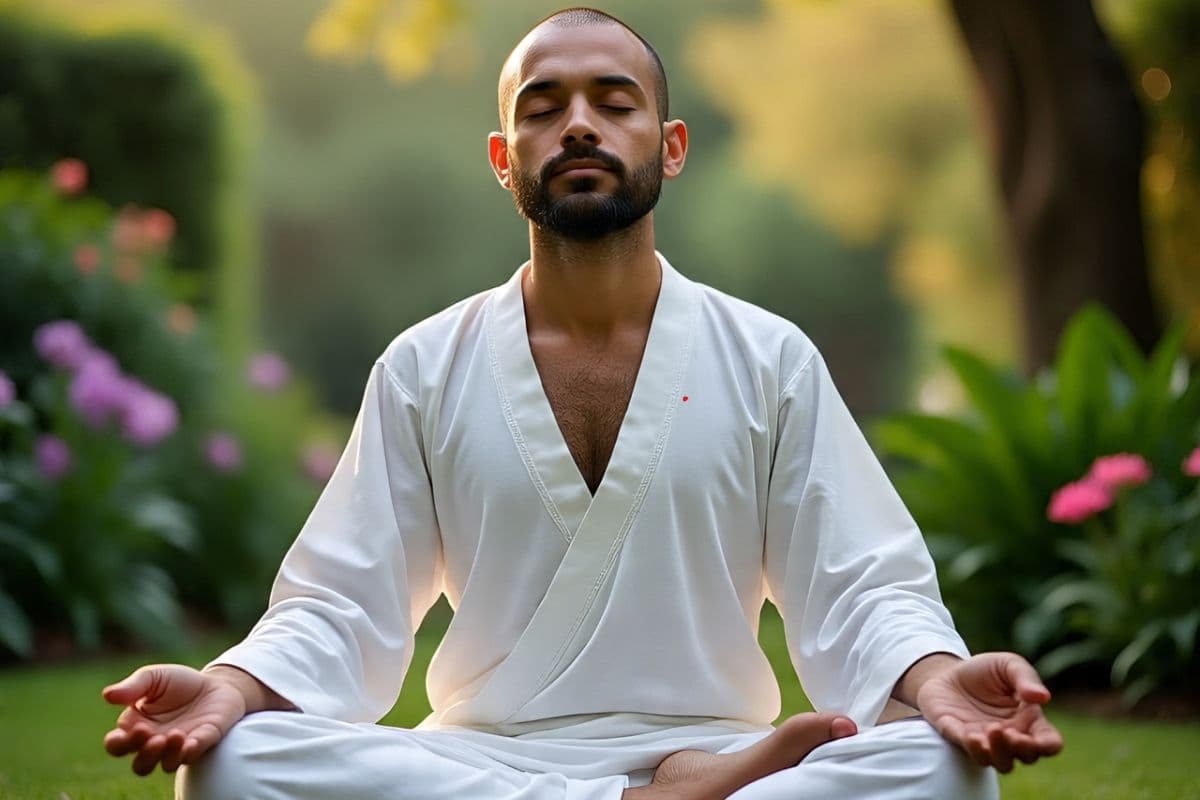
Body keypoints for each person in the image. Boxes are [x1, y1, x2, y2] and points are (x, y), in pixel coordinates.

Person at [103, 7, 1063, 798]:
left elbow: (863, 584)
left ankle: (680, 781)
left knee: (943, 766)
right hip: (490, 762)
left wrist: (937, 680)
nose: (578, 126)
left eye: (616, 102)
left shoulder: (771, 359)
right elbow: (340, 604)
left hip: (730, 758)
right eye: (542, 106)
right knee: (231, 763)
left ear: (671, 145)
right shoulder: (423, 365)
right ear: (501, 155)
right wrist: (231, 686)